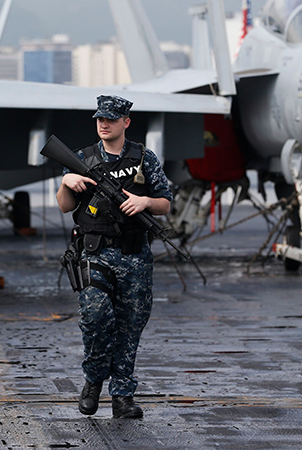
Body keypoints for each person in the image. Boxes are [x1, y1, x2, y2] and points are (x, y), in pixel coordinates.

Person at [55, 95, 172, 419]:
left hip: (134, 255)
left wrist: (145, 202)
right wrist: (66, 181)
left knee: (130, 326)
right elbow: (65, 206)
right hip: (95, 252)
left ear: (126, 122)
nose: (103, 124)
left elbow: (165, 202)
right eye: (99, 119)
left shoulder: (143, 158)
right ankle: (93, 380)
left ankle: (122, 395)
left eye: (110, 119)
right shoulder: (83, 158)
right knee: (95, 315)